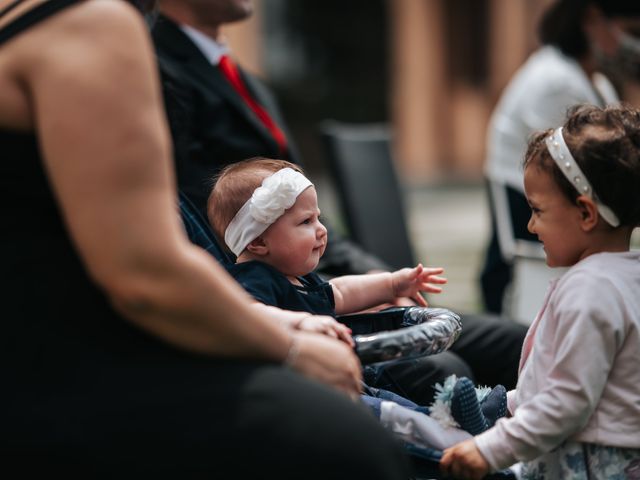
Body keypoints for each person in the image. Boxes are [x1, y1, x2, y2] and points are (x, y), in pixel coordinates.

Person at [0, 0, 413, 477]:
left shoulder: (25, 20)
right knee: (352, 443)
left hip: (42, 363)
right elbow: (145, 274)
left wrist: (284, 323)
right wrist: (289, 346)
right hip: (57, 382)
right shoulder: (94, 22)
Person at [152, 0, 528, 404]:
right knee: (441, 369)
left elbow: (310, 214)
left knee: (520, 340)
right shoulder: (154, 71)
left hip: (330, 284)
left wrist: (382, 280)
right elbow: (188, 217)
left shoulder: (245, 77)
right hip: (283, 302)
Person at [441, 103, 640, 479]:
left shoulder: (590, 290)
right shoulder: (627, 277)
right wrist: (501, 404)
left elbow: (566, 403)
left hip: (587, 466)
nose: (531, 225)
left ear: (585, 213)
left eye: (537, 210)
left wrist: (488, 449)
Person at [208, 157, 453, 415]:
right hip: (302, 397)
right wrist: (300, 323)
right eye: (306, 222)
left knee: (399, 405)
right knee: (391, 415)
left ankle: (462, 413)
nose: (322, 230)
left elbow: (341, 291)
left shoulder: (298, 276)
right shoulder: (252, 277)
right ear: (258, 242)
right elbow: (250, 313)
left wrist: (392, 284)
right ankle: (445, 425)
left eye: (318, 218)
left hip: (339, 380)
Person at [480, 0, 640, 314]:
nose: (633, 44)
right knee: (513, 274)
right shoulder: (556, 81)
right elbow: (582, 162)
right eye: (631, 31)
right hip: (523, 184)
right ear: (592, 19)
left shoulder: (595, 80)